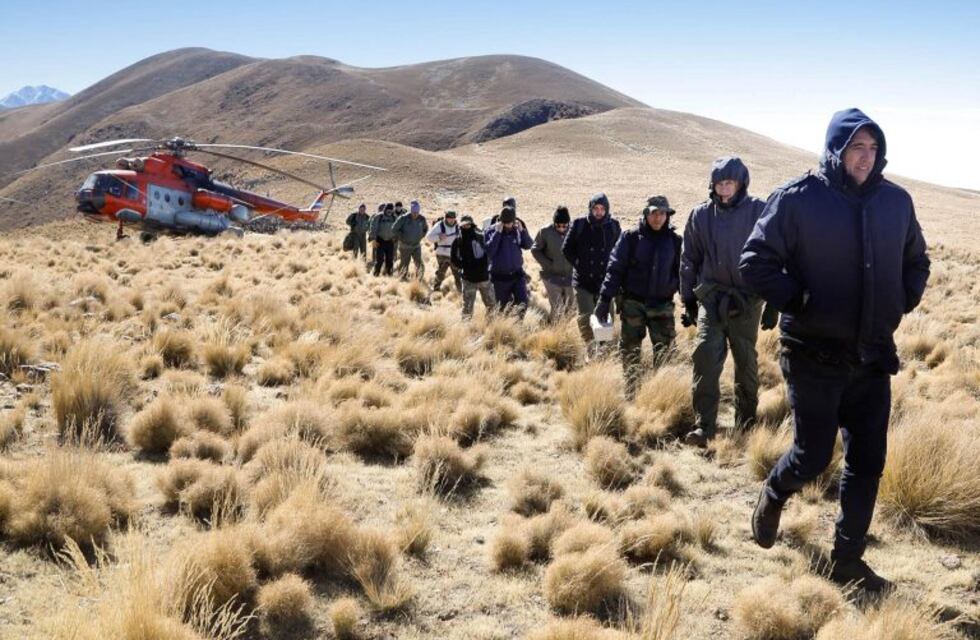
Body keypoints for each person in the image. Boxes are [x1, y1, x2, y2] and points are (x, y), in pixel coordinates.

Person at [740, 108, 930, 592]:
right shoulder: (799, 199)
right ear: (835, 150)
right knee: (812, 454)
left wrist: (902, 299)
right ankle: (776, 491)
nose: (865, 158)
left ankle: (846, 560)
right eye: (855, 148)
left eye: (872, 148)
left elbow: (917, 260)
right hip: (812, 354)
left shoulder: (896, 202)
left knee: (868, 461)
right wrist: (798, 299)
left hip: (871, 356)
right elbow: (756, 261)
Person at [679, 159, 776, 447]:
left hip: (747, 300)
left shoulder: (759, 211)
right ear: (713, 185)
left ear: (741, 183)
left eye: (729, 183)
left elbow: (778, 255)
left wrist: (775, 304)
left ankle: (745, 424)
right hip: (712, 297)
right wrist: (688, 299)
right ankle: (703, 427)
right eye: (719, 183)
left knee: (745, 362)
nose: (724, 189)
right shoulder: (700, 215)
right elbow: (689, 259)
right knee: (705, 356)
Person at [595, 196, 682, 397]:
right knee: (629, 351)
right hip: (633, 303)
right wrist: (605, 299)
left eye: (662, 213)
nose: (658, 218)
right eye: (654, 213)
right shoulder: (630, 238)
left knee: (666, 352)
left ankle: (661, 396)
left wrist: (690, 301)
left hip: (662, 306)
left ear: (667, 216)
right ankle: (632, 392)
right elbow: (615, 269)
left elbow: (683, 273)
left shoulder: (675, 242)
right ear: (646, 214)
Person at [562, 193, 622, 353]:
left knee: (606, 318)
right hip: (583, 281)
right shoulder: (579, 224)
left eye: (602, 209)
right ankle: (589, 348)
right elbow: (566, 249)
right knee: (586, 316)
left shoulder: (614, 226)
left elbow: (620, 252)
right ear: (590, 208)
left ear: (607, 209)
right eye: (596, 208)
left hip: (606, 282)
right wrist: (579, 264)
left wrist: (614, 271)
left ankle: (603, 350)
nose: (599, 212)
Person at [485, 206, 533, 315]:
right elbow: (489, 252)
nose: (508, 225)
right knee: (501, 308)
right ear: (501, 221)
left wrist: (522, 231)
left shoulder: (517, 230)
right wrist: (497, 233)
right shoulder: (491, 231)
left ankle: (517, 326)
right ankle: (505, 328)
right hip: (499, 278)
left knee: (523, 303)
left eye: (510, 222)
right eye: (505, 223)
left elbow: (529, 245)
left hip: (517, 275)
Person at [531, 206, 575, 323]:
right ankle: (555, 332)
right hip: (551, 277)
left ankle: (568, 332)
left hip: (570, 276)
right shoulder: (545, 232)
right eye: (558, 225)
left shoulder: (574, 231)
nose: (561, 228)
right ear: (554, 223)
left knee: (571, 308)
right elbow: (535, 249)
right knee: (557, 309)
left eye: (564, 226)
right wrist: (547, 264)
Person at [451, 215, 496, 318]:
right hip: (468, 279)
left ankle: (492, 328)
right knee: (467, 309)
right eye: (464, 225)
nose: (466, 226)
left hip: (484, 278)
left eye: (468, 224)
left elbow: (489, 254)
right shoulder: (458, 241)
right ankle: (466, 331)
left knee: (492, 306)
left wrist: (485, 267)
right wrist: (464, 266)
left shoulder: (481, 237)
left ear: (472, 224)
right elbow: (453, 259)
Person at [426, 210, 463, 292]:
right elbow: (429, 237)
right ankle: (436, 289)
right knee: (441, 274)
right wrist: (439, 237)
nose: (451, 220)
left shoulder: (458, 227)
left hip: (454, 254)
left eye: (453, 218)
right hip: (442, 253)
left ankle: (460, 292)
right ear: (446, 218)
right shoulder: (439, 225)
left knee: (457, 275)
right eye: (449, 218)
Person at [392, 200, 429, 280]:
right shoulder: (403, 218)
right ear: (411, 211)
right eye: (414, 212)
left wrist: (421, 236)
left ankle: (419, 280)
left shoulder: (422, 219)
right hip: (405, 246)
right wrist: (401, 236)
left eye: (417, 212)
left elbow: (426, 228)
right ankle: (402, 279)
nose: (415, 214)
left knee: (419, 263)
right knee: (404, 264)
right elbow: (394, 229)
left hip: (416, 246)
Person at [369, 203, 398, 276]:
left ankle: (389, 274)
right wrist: (373, 239)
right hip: (380, 241)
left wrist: (396, 238)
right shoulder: (379, 217)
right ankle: (376, 274)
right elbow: (373, 227)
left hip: (390, 242)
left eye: (391, 211)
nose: (389, 212)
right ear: (385, 209)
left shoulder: (394, 218)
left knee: (390, 260)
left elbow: (398, 229)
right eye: (388, 210)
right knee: (379, 260)